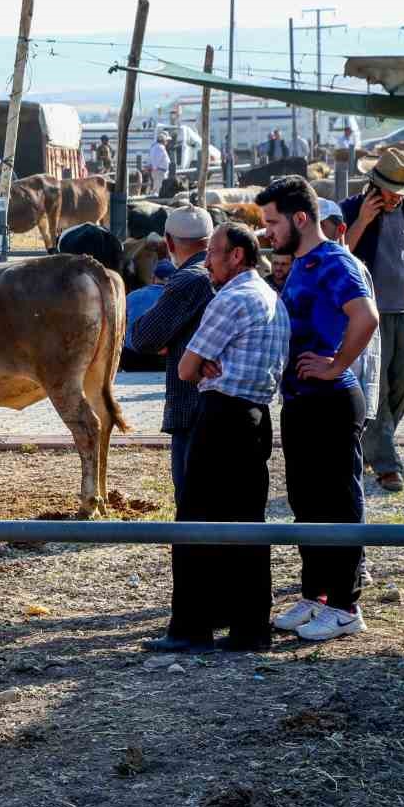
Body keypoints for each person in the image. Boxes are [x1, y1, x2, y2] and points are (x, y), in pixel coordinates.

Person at [144, 222, 290, 653]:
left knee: (195, 521)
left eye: (213, 253)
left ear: (236, 256)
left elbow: (186, 369)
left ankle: (192, 627)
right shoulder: (271, 297)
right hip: (256, 416)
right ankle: (249, 628)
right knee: (247, 523)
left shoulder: (230, 300)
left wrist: (201, 363)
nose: (206, 262)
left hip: (221, 416)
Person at [257, 175, 378, 642]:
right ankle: (317, 595)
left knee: (338, 502)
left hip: (331, 400)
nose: (267, 232)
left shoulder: (333, 261)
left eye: (273, 222)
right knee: (307, 502)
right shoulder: (303, 264)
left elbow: (366, 316)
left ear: (301, 219)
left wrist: (336, 364)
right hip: (301, 401)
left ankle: (347, 606)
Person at [128, 206, 217, 506]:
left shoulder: (187, 280)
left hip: (192, 406)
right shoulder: (230, 274)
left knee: (192, 502)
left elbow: (143, 338)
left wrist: (168, 336)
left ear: (168, 241)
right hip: (229, 403)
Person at [340, 148, 404, 491]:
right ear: (375, 185)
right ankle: (386, 464)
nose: (396, 196)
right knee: (378, 386)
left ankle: (374, 442)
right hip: (370, 312)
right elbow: (340, 254)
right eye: (391, 190)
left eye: (400, 190)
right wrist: (362, 222)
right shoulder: (351, 209)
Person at [320, 196, 381, 426]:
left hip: (342, 383)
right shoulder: (308, 264)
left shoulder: (349, 268)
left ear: (340, 230)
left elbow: (367, 329)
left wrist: (336, 367)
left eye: (322, 226)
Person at [146, 133, 172, 198]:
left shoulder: (155, 146)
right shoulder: (160, 147)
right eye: (166, 140)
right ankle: (157, 199)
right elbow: (157, 159)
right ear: (163, 140)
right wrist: (155, 168)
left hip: (159, 171)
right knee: (159, 188)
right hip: (159, 171)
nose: (167, 142)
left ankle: (155, 197)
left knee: (156, 187)